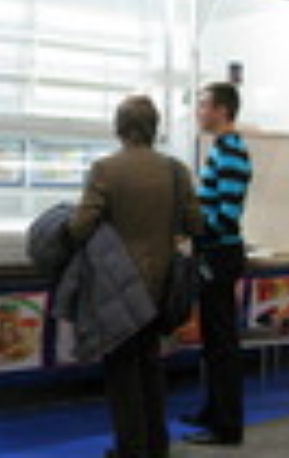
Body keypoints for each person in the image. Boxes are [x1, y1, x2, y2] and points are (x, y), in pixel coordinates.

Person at [67, 95, 201, 458]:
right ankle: (156, 446)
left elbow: (80, 228)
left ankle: (131, 449)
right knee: (151, 367)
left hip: (118, 286)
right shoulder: (176, 170)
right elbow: (195, 223)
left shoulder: (105, 169)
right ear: (154, 128)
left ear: (119, 127)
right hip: (161, 286)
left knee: (122, 371)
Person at [182, 82, 252, 447]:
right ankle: (211, 412)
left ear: (222, 110)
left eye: (203, 105)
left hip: (220, 256)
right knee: (212, 341)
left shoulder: (232, 152)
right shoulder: (222, 149)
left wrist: (192, 228)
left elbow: (226, 217)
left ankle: (227, 427)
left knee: (223, 345)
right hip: (213, 254)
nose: (199, 112)